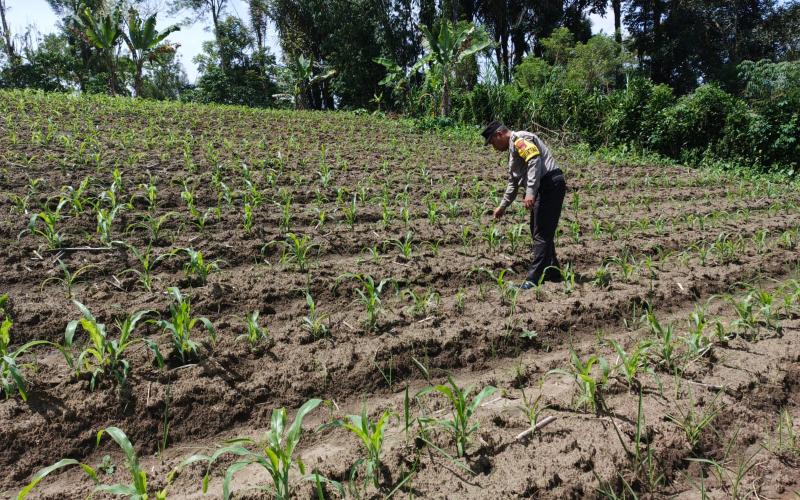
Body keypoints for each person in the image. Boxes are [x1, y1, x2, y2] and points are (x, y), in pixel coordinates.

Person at [482, 120, 567, 289]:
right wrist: (503, 206)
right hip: (544, 186)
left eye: (492, 143)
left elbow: (534, 160)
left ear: (499, 135)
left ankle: (533, 279)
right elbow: (513, 182)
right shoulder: (513, 151)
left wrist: (530, 192)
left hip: (550, 184)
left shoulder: (519, 139)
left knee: (541, 233)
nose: (494, 148)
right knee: (539, 230)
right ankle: (553, 271)